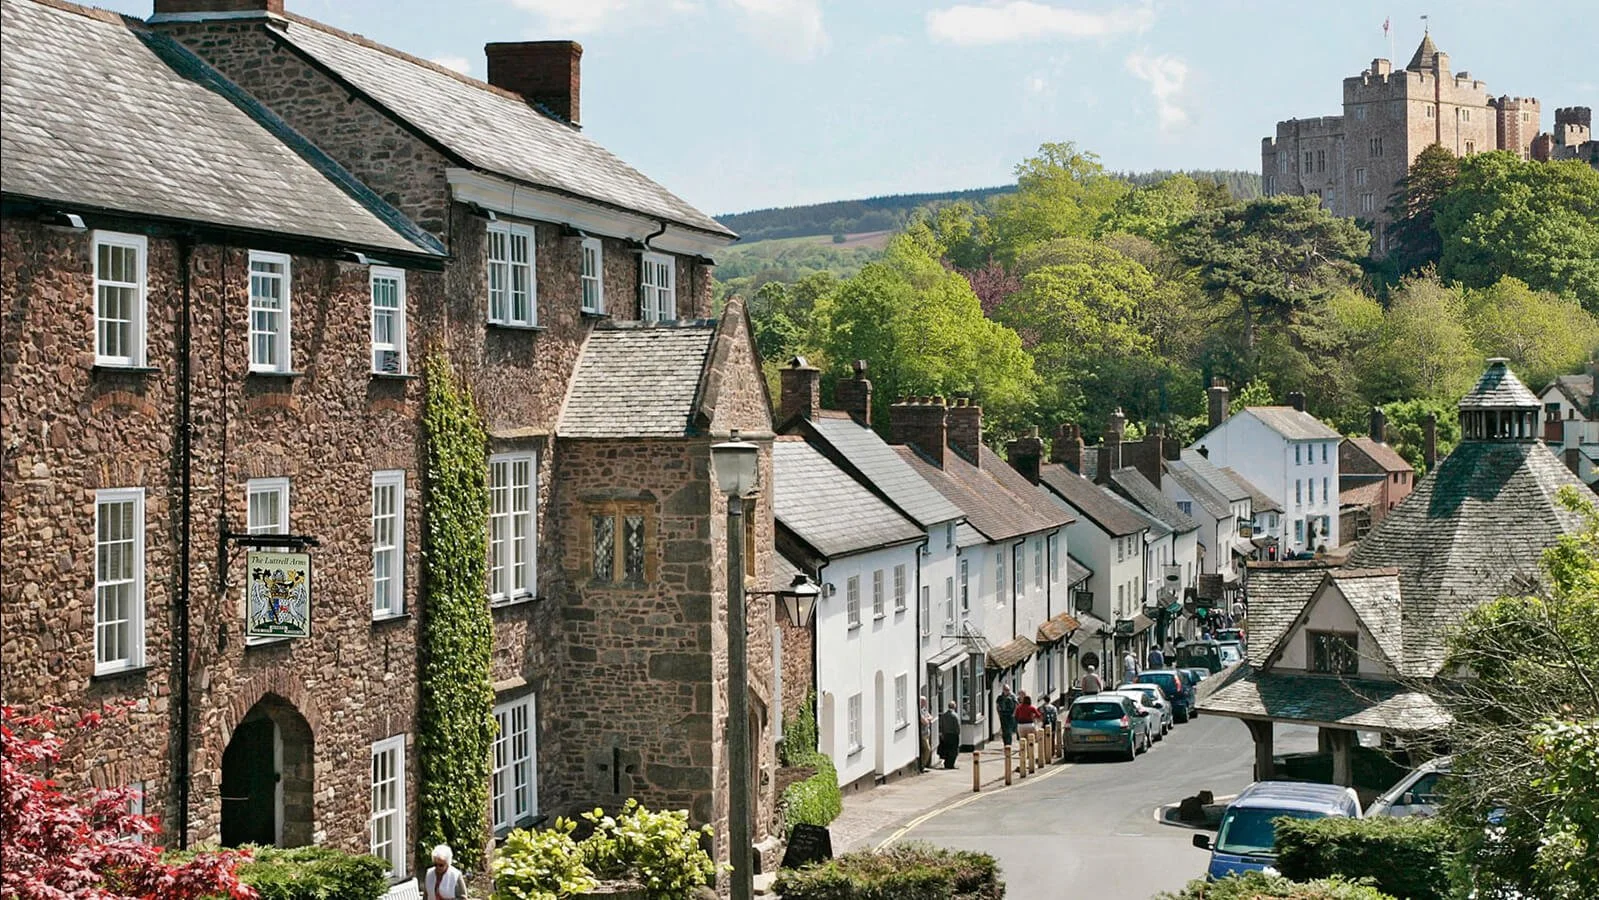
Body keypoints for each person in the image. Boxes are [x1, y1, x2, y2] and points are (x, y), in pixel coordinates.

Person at [937, 700, 961, 769]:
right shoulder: (955, 716)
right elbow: (957, 727)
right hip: (953, 735)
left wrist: (942, 734)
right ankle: (951, 764)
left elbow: (941, 725)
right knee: (953, 751)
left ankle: (946, 763)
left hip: (946, 735)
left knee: (947, 749)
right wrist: (958, 733)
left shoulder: (944, 715)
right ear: (954, 707)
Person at [917, 697, 935, 771]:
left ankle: (923, 765)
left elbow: (931, 717)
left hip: (927, 733)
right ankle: (922, 766)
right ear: (920, 702)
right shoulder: (919, 711)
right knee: (927, 749)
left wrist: (927, 719)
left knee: (925, 750)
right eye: (924, 702)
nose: (925, 703)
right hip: (922, 734)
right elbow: (924, 721)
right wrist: (927, 719)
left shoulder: (924, 710)